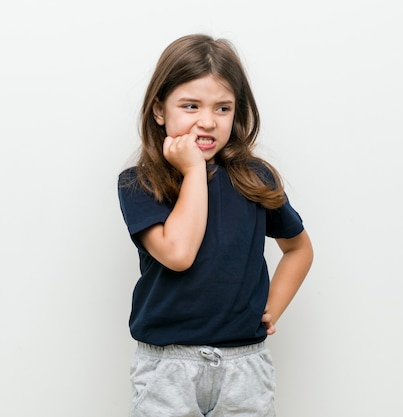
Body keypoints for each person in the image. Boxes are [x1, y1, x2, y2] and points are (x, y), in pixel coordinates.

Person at [117, 33, 314, 417]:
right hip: (167, 368)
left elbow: (298, 248)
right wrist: (193, 170)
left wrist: (272, 307)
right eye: (190, 106)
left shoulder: (255, 179)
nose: (207, 121)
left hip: (245, 366)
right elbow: (178, 254)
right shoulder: (139, 184)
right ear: (159, 110)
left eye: (222, 108)